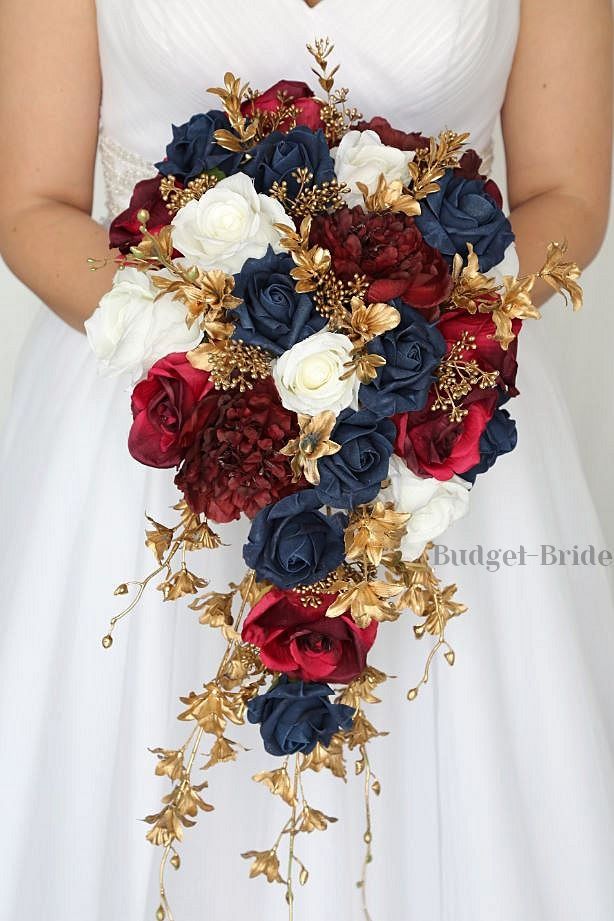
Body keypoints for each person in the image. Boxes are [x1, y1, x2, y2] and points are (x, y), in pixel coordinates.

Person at [0, 1, 612, 919]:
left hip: (433, 408)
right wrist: (230, 352)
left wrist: (402, 360)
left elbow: (568, 192)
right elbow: (29, 205)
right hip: (152, 417)